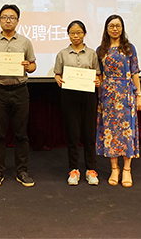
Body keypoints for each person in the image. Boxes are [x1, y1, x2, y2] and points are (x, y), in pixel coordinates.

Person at [0, 4, 36, 187]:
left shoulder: (25, 42)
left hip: (20, 90)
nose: (8, 20)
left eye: (12, 17)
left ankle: (22, 171)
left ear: (17, 21)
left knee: (21, 134)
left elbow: (33, 66)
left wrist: (28, 66)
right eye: (4, 17)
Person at [95, 14, 141, 188]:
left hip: (126, 95)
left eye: (118, 26)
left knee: (127, 132)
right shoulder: (100, 50)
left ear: (122, 28)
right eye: (111, 26)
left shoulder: (129, 48)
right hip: (108, 96)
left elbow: (135, 73)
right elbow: (99, 75)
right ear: (106, 29)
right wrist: (99, 93)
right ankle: (114, 169)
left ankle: (127, 169)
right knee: (111, 132)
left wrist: (139, 96)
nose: (115, 29)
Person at [53, 20, 101, 186]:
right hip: (69, 96)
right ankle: (73, 169)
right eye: (72, 33)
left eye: (79, 32)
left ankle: (91, 169)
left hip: (88, 96)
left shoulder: (92, 54)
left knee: (89, 134)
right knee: (72, 134)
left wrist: (98, 81)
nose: (76, 36)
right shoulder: (62, 54)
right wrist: (58, 79)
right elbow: (57, 74)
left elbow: (98, 74)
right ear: (68, 35)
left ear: (84, 34)